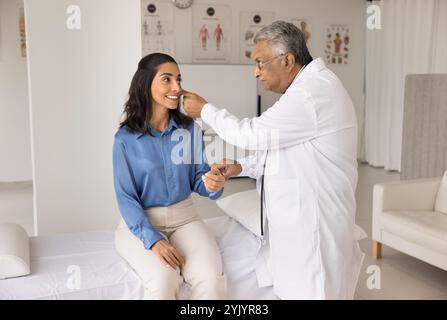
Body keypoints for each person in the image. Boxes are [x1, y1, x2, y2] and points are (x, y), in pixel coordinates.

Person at [183, 21, 364, 299]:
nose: (256, 72)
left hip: (314, 230)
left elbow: (251, 134)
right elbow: (280, 150)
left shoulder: (311, 94)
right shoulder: (302, 92)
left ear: (288, 60)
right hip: (296, 229)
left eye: (260, 63)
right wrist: (241, 166)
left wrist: (205, 110)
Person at [112, 53, 227, 300]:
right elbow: (126, 198)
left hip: (186, 218)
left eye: (178, 79)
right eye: (167, 79)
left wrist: (215, 182)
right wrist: (153, 241)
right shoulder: (125, 139)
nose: (177, 88)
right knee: (164, 279)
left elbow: (198, 178)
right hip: (142, 223)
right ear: (146, 84)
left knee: (210, 278)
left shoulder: (189, 129)